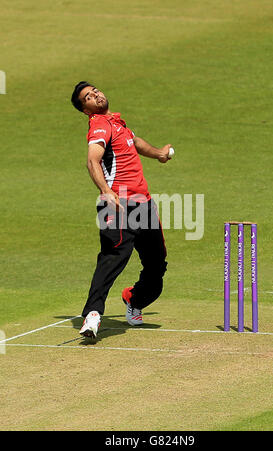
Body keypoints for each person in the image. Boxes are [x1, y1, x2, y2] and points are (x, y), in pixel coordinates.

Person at [71, 81, 172, 338]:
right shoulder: (99, 125)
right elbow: (92, 160)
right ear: (86, 110)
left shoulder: (117, 123)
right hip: (117, 204)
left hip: (144, 205)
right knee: (113, 256)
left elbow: (135, 142)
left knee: (156, 265)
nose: (95, 96)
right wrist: (105, 191)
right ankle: (92, 315)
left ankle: (133, 299)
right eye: (88, 98)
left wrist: (159, 153)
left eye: (95, 91)